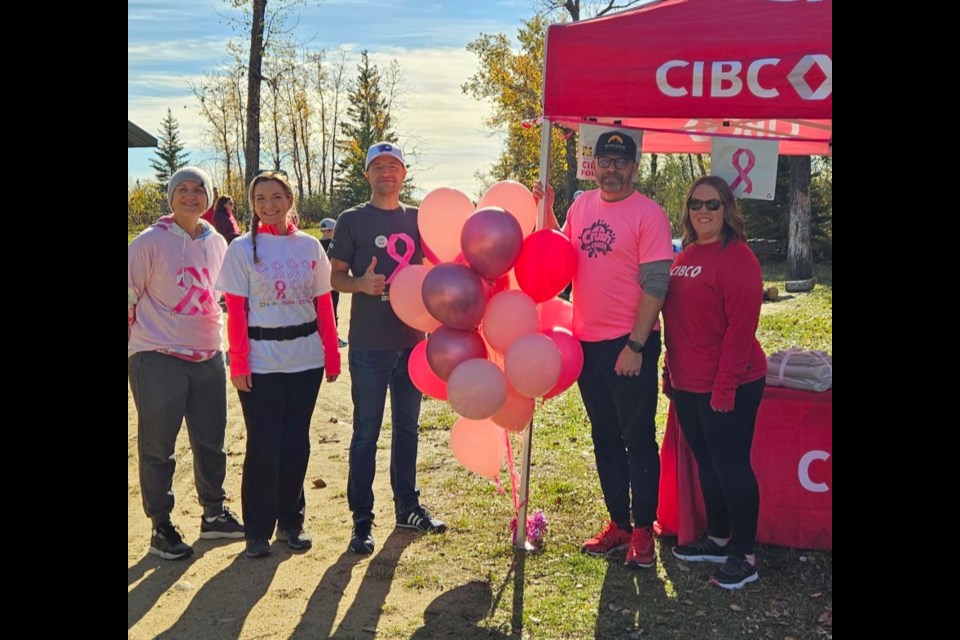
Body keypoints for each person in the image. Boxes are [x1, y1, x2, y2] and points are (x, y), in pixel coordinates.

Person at [533, 130, 674, 569]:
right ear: (594, 165)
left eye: (620, 163)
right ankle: (618, 523)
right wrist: (550, 210)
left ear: (633, 167)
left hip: (630, 343)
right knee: (604, 437)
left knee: (636, 438)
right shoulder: (581, 206)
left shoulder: (649, 215)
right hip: (586, 344)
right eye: (604, 162)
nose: (611, 170)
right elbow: (560, 254)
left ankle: (642, 532)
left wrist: (635, 344)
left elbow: (656, 285)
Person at [328, 141, 447, 555]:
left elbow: (442, 267)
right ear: (367, 175)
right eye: (377, 167)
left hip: (412, 343)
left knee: (409, 429)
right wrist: (361, 284)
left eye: (392, 166)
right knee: (365, 433)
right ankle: (362, 521)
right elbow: (335, 277)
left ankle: (408, 508)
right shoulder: (351, 220)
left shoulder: (420, 219)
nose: (386, 173)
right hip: (369, 346)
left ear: (404, 172)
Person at [216, 171, 341, 559]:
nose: (269, 205)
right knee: (263, 444)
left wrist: (332, 354)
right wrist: (239, 364)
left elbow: (324, 304)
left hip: (306, 360)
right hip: (262, 360)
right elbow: (236, 311)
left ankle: (291, 522)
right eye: (260, 200)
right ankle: (257, 530)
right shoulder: (241, 249)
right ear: (252, 206)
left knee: (295, 443)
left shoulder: (309, 247)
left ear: (290, 199)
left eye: (276, 197)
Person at [128, 167, 245, 560]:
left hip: (208, 354)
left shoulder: (217, 243)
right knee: (159, 446)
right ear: (171, 196)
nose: (191, 196)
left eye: (199, 190)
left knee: (211, 440)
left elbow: (225, 296)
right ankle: (161, 525)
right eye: (183, 189)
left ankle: (213, 515)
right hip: (156, 356)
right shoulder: (148, 243)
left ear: (209, 198)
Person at [661, 175, 767, 589]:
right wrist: (672, 371)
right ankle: (720, 538)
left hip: (732, 382)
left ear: (728, 211)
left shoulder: (738, 258)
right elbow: (678, 321)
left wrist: (724, 387)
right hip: (689, 382)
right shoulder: (684, 254)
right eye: (696, 204)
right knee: (707, 461)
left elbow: (742, 330)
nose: (703, 212)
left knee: (731, 464)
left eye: (712, 204)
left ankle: (745, 554)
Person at [319, 217, 347, 348]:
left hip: (318, 285)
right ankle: (333, 338)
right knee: (332, 311)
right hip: (332, 284)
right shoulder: (334, 245)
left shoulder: (317, 244)